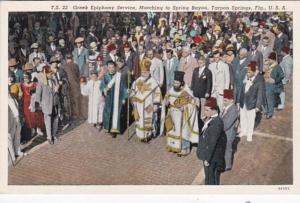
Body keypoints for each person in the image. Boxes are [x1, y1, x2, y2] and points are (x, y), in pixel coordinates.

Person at [161, 71, 199, 156]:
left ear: (181, 83)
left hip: (182, 116)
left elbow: (193, 104)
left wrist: (184, 108)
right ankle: (172, 146)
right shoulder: (172, 89)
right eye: (174, 82)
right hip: (172, 113)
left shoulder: (186, 91)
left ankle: (184, 149)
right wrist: (166, 102)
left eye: (177, 83)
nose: (175, 84)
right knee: (172, 130)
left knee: (183, 131)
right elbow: (167, 97)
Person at [130, 59, 162, 142]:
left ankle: (148, 135)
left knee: (149, 119)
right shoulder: (137, 81)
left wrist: (155, 104)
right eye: (142, 72)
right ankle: (141, 135)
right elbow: (133, 91)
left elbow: (157, 93)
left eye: (145, 72)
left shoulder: (153, 82)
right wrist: (132, 96)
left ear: (149, 72)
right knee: (139, 120)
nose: (144, 74)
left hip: (149, 105)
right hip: (138, 105)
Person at [196, 97, 226, 185]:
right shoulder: (212, 118)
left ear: (214, 110)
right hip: (209, 155)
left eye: (207, 110)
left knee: (210, 178)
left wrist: (207, 159)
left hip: (211, 157)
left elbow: (212, 144)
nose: (204, 112)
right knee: (209, 176)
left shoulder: (216, 124)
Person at [238, 61, 265, 142]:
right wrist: (239, 101)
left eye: (249, 72)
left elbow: (260, 94)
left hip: (251, 104)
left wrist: (257, 106)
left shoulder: (259, 81)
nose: (247, 73)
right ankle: (243, 131)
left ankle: (249, 134)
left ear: (254, 72)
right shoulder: (246, 78)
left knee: (250, 119)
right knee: (242, 117)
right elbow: (242, 90)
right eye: (247, 71)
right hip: (243, 102)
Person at [100, 60, 128, 138]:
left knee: (116, 113)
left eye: (113, 67)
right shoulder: (105, 77)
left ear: (115, 68)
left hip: (117, 98)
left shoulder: (119, 76)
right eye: (109, 67)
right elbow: (102, 86)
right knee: (108, 113)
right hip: (108, 98)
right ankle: (107, 127)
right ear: (107, 68)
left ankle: (114, 130)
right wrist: (104, 91)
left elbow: (124, 87)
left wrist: (124, 97)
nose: (111, 69)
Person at [35, 65, 61, 144]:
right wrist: (38, 104)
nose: (51, 74)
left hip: (55, 103)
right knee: (48, 121)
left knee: (55, 120)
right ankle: (49, 137)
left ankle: (53, 135)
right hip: (47, 105)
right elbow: (38, 94)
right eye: (49, 73)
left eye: (51, 73)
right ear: (45, 74)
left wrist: (57, 89)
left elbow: (56, 91)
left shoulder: (53, 80)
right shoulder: (41, 83)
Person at [20, 72, 44, 137]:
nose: (26, 79)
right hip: (26, 103)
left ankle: (38, 129)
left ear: (30, 77)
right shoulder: (22, 85)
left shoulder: (34, 84)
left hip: (34, 102)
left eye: (27, 77)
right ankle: (32, 130)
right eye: (24, 78)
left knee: (37, 115)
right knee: (29, 117)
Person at [221, 89, 238, 170]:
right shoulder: (226, 107)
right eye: (224, 100)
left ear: (231, 100)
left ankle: (227, 165)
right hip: (225, 132)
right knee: (224, 148)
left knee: (227, 148)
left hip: (229, 133)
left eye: (225, 100)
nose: (224, 102)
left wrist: (219, 128)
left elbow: (227, 124)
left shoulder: (233, 110)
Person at [191, 56, 213, 120]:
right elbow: (193, 81)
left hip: (203, 94)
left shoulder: (208, 71)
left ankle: (203, 123)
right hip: (196, 93)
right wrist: (192, 90)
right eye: (198, 63)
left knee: (203, 111)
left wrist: (207, 92)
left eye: (201, 63)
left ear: (204, 63)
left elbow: (209, 83)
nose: (199, 64)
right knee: (195, 108)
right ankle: (196, 123)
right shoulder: (195, 70)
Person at [263, 52, 284, 118]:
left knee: (270, 99)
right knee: (265, 98)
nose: (268, 61)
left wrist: (275, 80)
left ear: (274, 60)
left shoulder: (277, 67)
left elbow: (282, 75)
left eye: (270, 60)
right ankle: (266, 110)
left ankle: (270, 113)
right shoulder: (268, 66)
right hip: (266, 83)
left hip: (272, 85)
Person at [63, 54, 82, 119]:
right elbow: (78, 75)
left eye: (68, 59)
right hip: (75, 85)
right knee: (76, 99)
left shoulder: (65, 66)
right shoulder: (76, 65)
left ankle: (73, 114)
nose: (69, 60)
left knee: (71, 100)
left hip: (69, 85)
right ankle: (78, 114)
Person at [8, 92, 24, 165]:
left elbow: (17, 108)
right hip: (11, 120)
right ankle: (12, 156)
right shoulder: (6, 99)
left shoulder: (13, 98)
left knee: (17, 135)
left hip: (17, 119)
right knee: (10, 137)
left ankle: (17, 151)